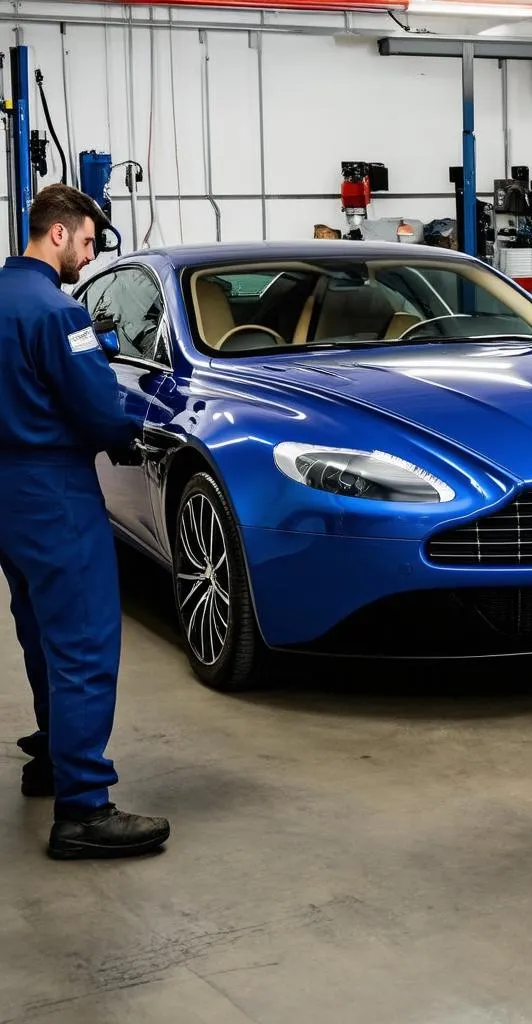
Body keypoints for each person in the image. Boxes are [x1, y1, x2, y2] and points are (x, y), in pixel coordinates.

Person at [0, 184, 171, 858]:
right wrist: (132, 433)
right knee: (84, 643)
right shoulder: (56, 312)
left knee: (40, 628)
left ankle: (51, 757)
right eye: (89, 243)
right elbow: (98, 411)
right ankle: (84, 808)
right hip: (50, 490)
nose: (89, 256)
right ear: (60, 235)